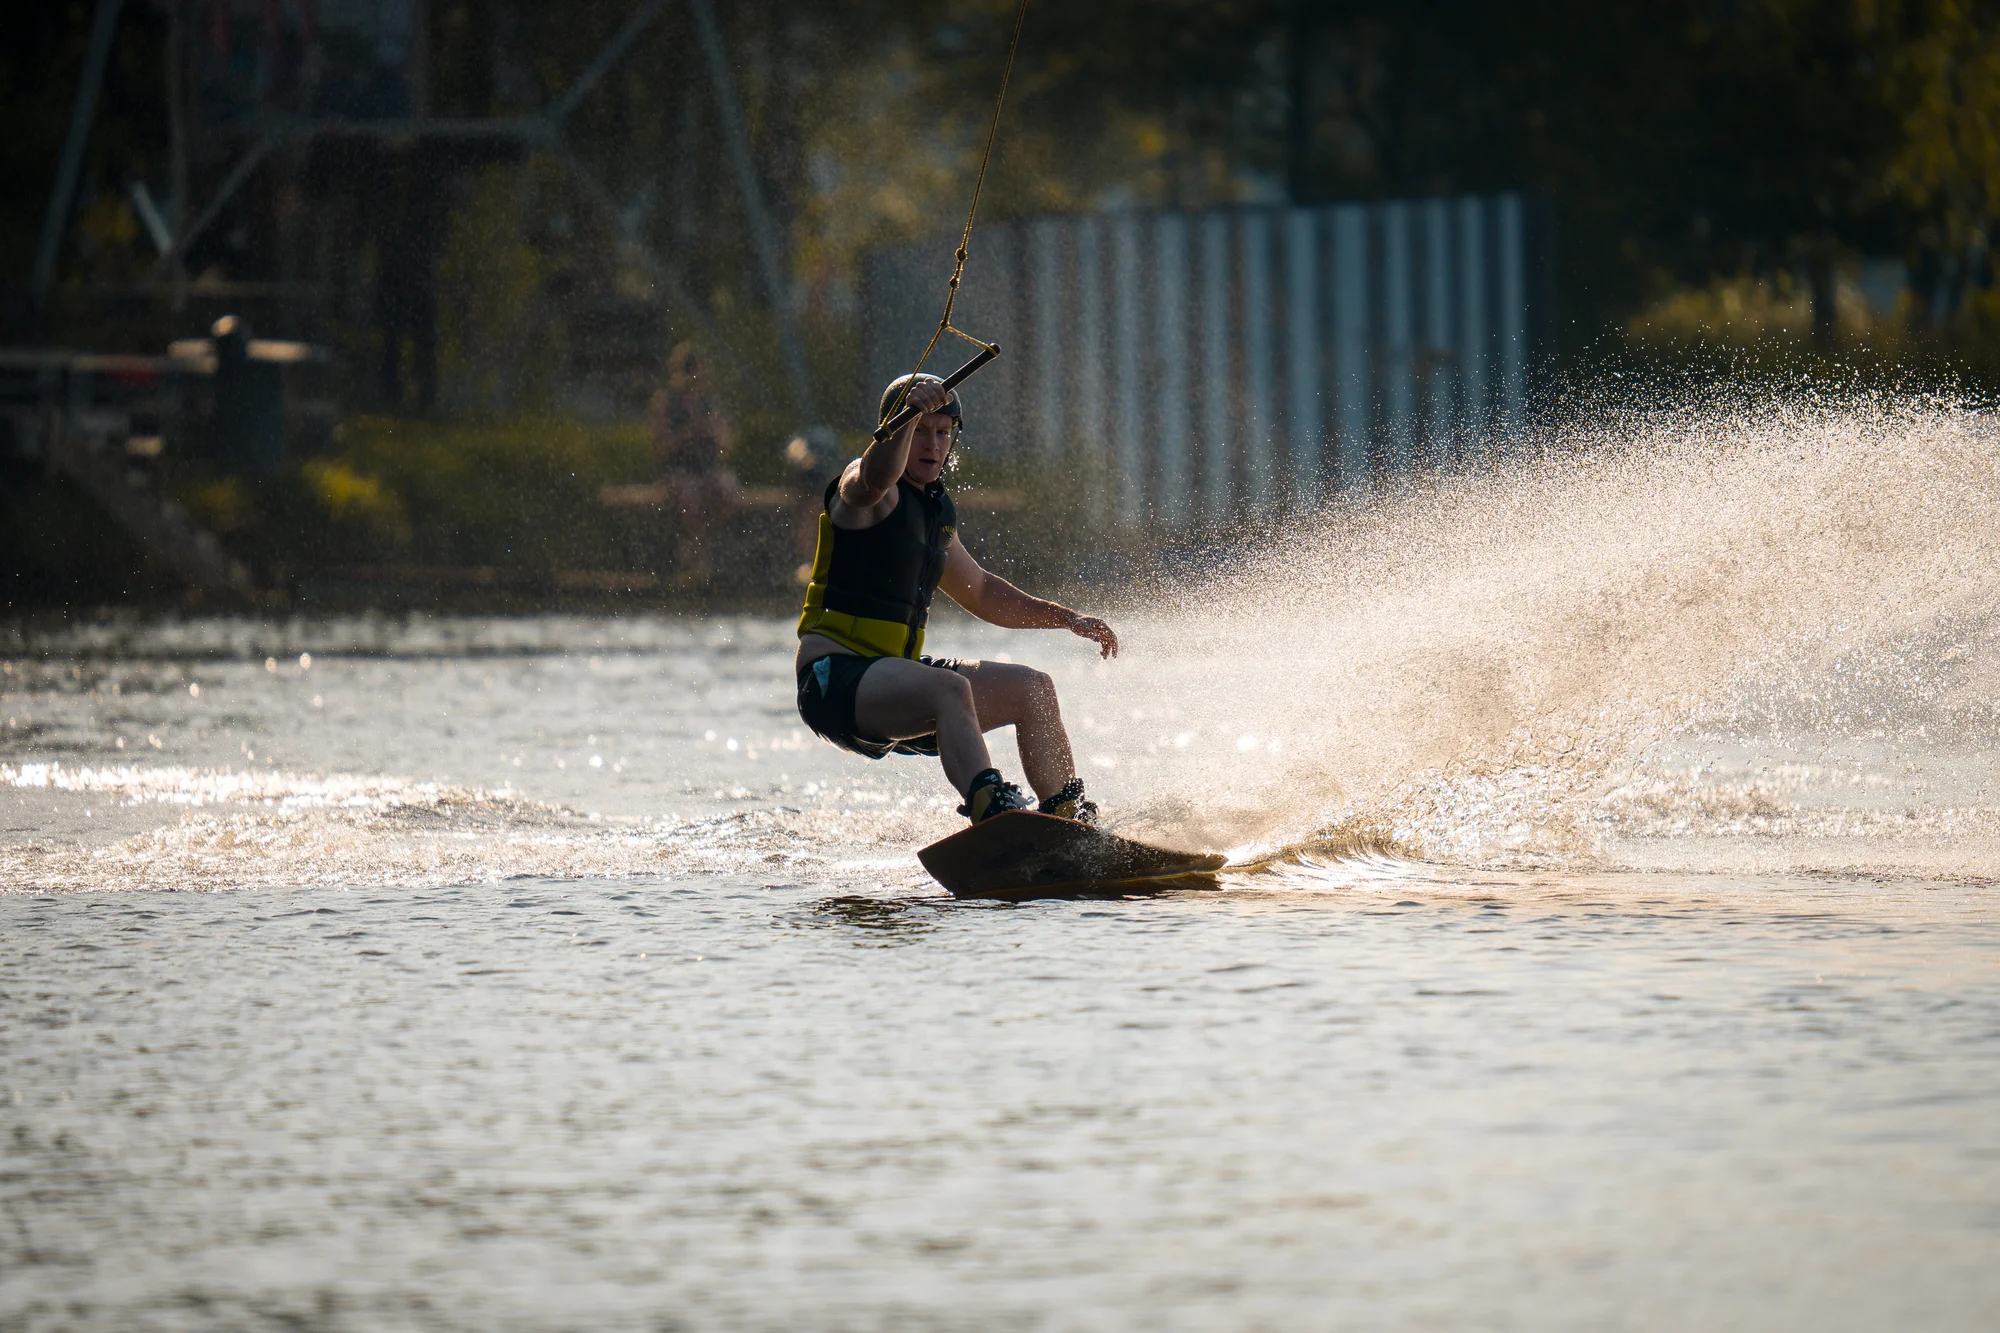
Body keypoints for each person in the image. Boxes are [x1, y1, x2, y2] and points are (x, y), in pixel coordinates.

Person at [795, 373, 1119, 824]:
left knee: (1033, 689)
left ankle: (1066, 819)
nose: (932, 445)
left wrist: (1067, 618)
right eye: (920, 431)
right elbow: (872, 477)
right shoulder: (864, 487)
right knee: (950, 689)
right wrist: (907, 417)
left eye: (942, 432)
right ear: (893, 430)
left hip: (896, 681)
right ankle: (992, 812)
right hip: (834, 681)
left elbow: (982, 591)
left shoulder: (935, 512)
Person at [648, 344, 739, 585]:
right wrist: (687, 433)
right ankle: (699, 558)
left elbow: (727, 446)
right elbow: (660, 447)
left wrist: (716, 433)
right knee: (690, 496)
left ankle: (695, 549)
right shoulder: (665, 403)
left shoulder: (710, 405)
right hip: (676, 470)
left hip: (707, 469)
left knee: (727, 490)